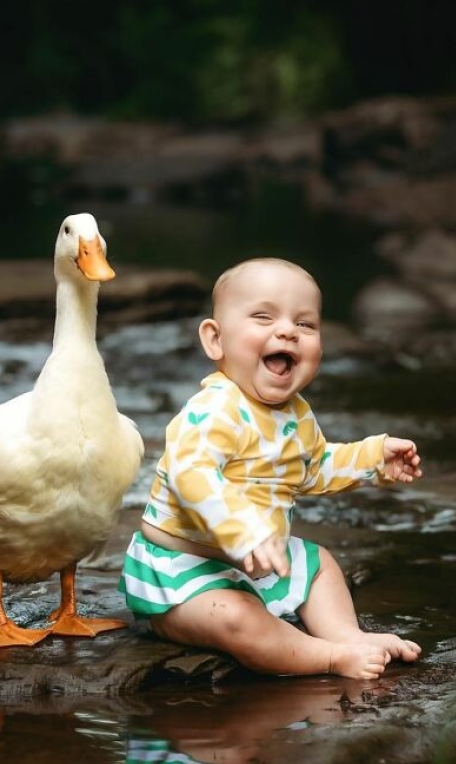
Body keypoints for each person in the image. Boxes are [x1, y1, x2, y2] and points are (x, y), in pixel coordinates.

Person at [119, 257, 424, 680]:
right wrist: (242, 531)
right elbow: (193, 476)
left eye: (306, 324)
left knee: (319, 564)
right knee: (236, 618)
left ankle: (347, 635)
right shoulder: (214, 409)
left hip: (256, 564)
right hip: (183, 572)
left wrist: (372, 459)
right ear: (215, 340)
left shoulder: (297, 415)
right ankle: (328, 657)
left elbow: (314, 468)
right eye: (263, 317)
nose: (287, 331)